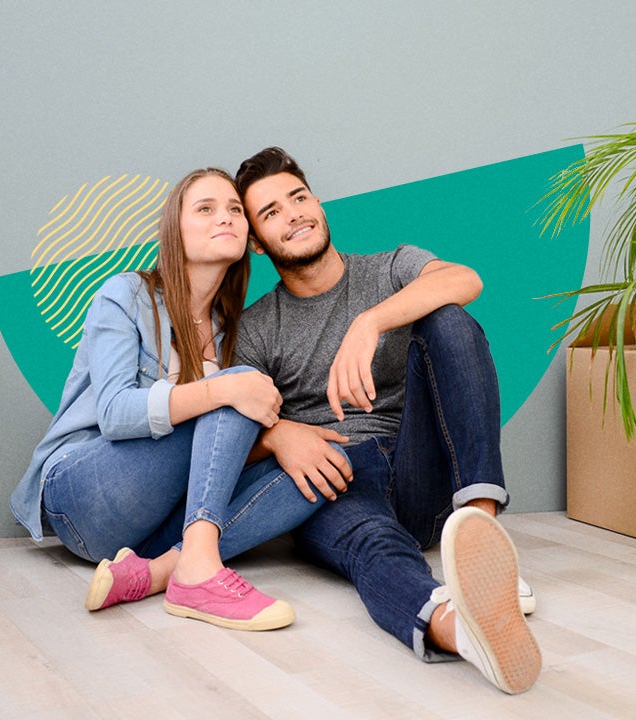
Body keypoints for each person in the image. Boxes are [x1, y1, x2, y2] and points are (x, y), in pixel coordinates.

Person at [232, 147, 543, 692]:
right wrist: (280, 434)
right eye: (272, 212)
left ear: (319, 203)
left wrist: (370, 323)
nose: (294, 214)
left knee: (448, 320)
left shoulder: (388, 268)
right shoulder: (257, 329)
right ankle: (461, 631)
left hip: (418, 466)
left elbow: (465, 279)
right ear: (257, 241)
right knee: (372, 549)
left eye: (299, 198)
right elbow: (230, 434)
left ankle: (485, 541)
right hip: (335, 477)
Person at [9, 167, 329, 631]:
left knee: (317, 470)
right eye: (206, 208)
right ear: (174, 230)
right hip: (83, 497)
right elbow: (116, 414)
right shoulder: (125, 295)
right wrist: (223, 388)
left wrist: (279, 438)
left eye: (236, 210)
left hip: (151, 527)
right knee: (236, 388)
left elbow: (218, 450)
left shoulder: (231, 330)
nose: (227, 218)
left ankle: (162, 571)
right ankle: (197, 572)